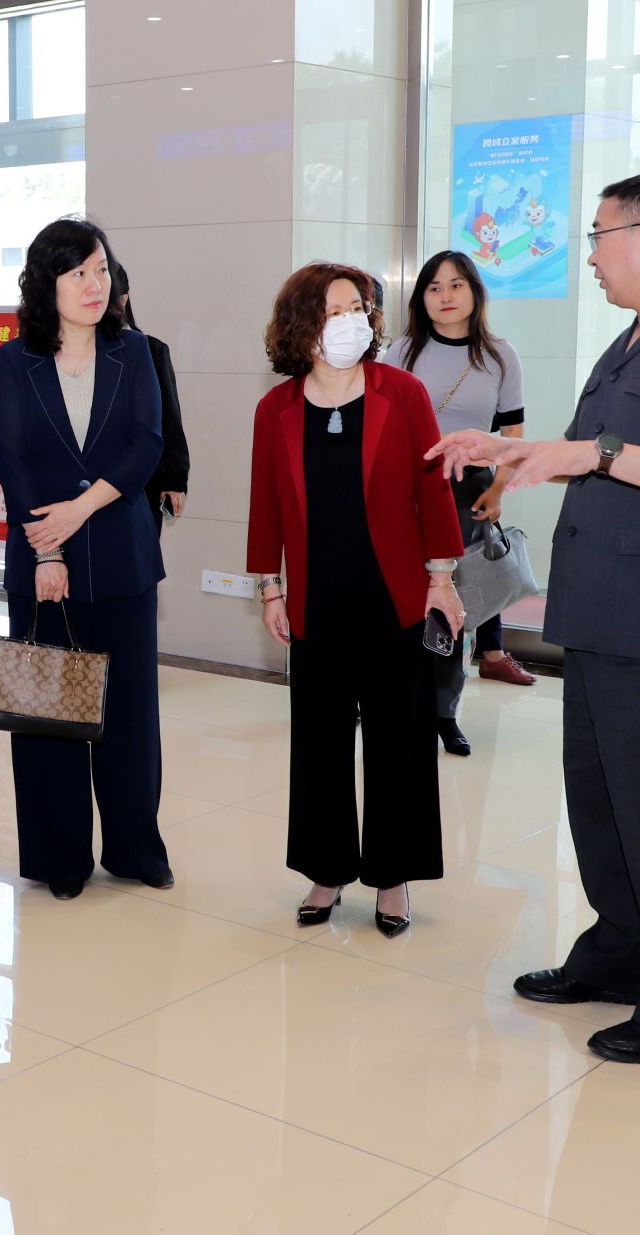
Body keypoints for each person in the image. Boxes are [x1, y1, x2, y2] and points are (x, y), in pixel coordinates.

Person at [430, 170, 640, 1064]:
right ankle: (621, 949)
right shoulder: (633, 339)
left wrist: (595, 451)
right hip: (603, 613)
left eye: (599, 235)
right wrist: (512, 451)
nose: (590, 254)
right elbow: (596, 454)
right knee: (604, 802)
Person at [246, 262, 464, 934]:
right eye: (334, 311)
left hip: (395, 597)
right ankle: (327, 869)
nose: (351, 322)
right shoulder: (276, 409)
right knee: (319, 739)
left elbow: (433, 490)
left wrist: (442, 579)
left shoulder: (403, 393)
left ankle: (393, 877)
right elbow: (266, 503)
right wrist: (270, 586)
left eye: (358, 309)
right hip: (317, 600)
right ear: (301, 325)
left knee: (401, 740)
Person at [0, 217, 172, 900]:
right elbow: (13, 458)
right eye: (78, 273)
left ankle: (135, 848)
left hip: (122, 555)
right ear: (47, 283)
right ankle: (59, 856)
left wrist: (80, 509)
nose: (95, 285)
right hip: (43, 559)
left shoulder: (135, 351)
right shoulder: (17, 359)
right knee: (49, 710)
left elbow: (146, 444)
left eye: (101, 270)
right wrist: (50, 548)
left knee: (130, 714)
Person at [383, 250, 535, 758]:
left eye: (456, 285)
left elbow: (513, 436)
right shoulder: (401, 351)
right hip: (403, 487)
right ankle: (391, 700)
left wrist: (497, 490)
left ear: (474, 292)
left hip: (467, 488)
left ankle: (444, 712)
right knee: (398, 596)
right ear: (421, 297)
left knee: (453, 605)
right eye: (434, 287)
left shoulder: (500, 355)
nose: (445, 296)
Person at [110, 263, 189, 535]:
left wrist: (175, 479)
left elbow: (170, 417)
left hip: (143, 480)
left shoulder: (151, 350)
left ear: (123, 299)